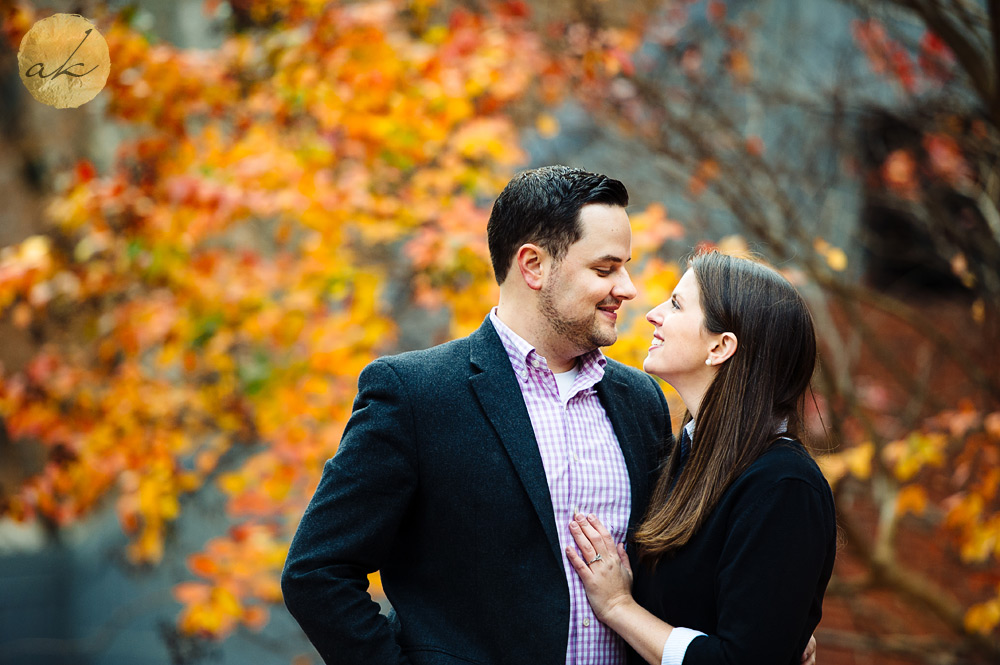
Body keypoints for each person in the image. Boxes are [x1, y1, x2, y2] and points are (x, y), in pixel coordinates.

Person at [281, 166, 672, 665]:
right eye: (605, 268)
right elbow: (316, 572)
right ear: (533, 265)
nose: (629, 287)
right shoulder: (415, 394)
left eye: (626, 266)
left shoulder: (641, 399)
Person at [566, 251, 837, 665]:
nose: (654, 314)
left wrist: (619, 607)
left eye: (676, 305)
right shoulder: (688, 460)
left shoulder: (782, 486)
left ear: (720, 346)